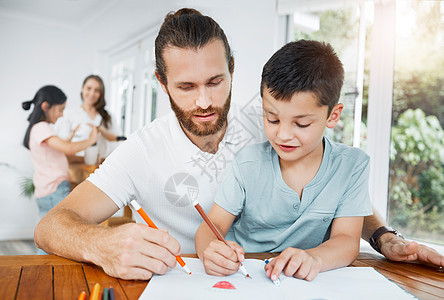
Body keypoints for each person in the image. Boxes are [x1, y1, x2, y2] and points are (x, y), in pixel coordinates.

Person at [34, 8, 444, 280]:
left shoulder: (269, 123)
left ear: (232, 69)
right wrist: (98, 243)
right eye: (185, 86)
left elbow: (337, 187)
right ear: (161, 83)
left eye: (215, 81)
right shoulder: (141, 150)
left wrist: (383, 237)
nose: (205, 102)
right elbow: (51, 225)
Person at [195, 40, 373, 281]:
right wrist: (210, 249)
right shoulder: (248, 163)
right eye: (272, 119)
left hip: (304, 282)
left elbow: (347, 241)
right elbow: (212, 224)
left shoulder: (352, 166)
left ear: (333, 115)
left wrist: (315, 258)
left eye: (301, 123)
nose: (283, 135)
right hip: (244, 277)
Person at [22, 85, 98, 222]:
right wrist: (91, 140)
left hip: (49, 190)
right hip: (54, 190)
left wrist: (70, 141)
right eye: (60, 109)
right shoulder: (41, 128)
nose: (62, 114)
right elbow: (68, 149)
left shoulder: (39, 129)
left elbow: (59, 153)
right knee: (60, 232)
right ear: (46, 107)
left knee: (50, 234)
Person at [55, 75, 126, 164]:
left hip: (101, 166)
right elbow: (61, 144)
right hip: (76, 166)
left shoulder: (107, 116)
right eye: (88, 88)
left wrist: (102, 131)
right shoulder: (69, 114)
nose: (92, 93)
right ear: (82, 89)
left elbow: (119, 140)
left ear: (101, 94)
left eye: (96, 90)